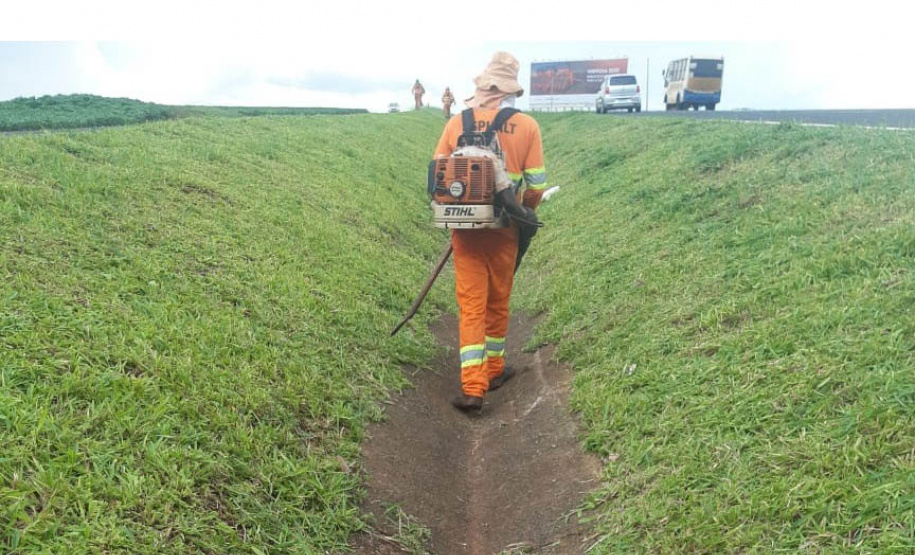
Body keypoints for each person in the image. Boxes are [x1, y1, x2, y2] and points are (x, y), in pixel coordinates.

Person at [433, 52, 548, 412]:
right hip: (506, 229)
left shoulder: (456, 123)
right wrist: (527, 211)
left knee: (470, 305)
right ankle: (495, 369)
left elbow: (438, 172)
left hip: (464, 231)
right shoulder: (526, 126)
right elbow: (536, 186)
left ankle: (473, 387)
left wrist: (461, 207)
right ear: (510, 91)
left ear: (482, 88)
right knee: (498, 298)